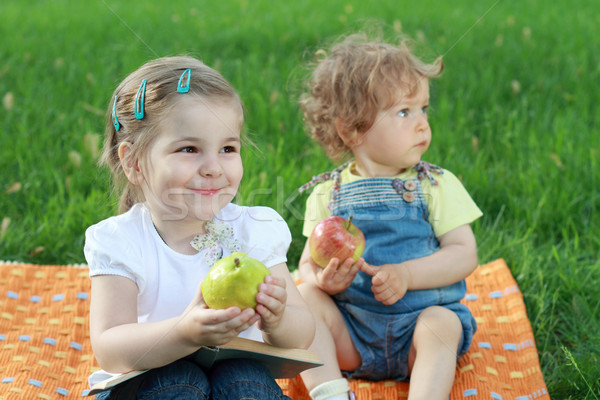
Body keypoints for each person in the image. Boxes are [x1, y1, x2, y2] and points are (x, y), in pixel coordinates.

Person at [84, 56, 315, 399]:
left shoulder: (253, 231)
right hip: (152, 382)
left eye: (227, 148)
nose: (213, 167)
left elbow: (303, 333)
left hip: (236, 380)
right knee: (178, 379)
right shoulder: (122, 241)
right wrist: (183, 333)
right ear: (133, 162)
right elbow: (110, 347)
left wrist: (278, 318)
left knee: (244, 379)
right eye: (189, 149)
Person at [296, 33, 482, 400]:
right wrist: (323, 281)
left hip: (418, 332)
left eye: (423, 109)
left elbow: (464, 254)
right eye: (403, 111)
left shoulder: (435, 184)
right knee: (304, 298)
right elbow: (306, 265)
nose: (421, 123)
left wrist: (408, 274)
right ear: (350, 129)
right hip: (352, 333)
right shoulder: (326, 194)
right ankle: (330, 391)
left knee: (442, 324)